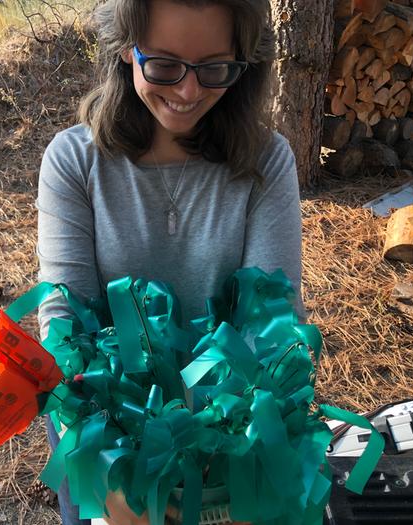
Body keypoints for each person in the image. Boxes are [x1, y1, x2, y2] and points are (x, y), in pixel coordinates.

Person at [36, 0, 304, 523]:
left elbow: (273, 323)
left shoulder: (267, 161)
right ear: (123, 48)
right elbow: (66, 322)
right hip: (101, 421)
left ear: (243, 63)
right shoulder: (74, 163)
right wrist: (103, 465)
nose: (187, 92)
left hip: (230, 427)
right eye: (163, 65)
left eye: (214, 68)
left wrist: (237, 452)